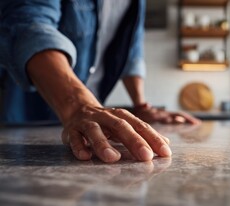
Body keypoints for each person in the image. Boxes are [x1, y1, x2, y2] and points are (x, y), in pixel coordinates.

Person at [0, 0, 200, 163]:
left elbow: (131, 51)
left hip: (88, 116)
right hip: (26, 115)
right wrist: (79, 105)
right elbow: (27, 25)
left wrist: (141, 105)